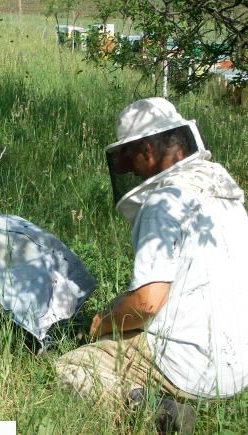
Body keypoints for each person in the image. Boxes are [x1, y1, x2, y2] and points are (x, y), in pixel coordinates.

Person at [55, 97, 248, 434]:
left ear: (147, 149)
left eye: (133, 162)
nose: (133, 172)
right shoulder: (226, 194)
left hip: (188, 367)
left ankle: (151, 412)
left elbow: (146, 302)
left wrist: (104, 324)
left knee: (69, 368)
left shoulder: (165, 201)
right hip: (237, 371)